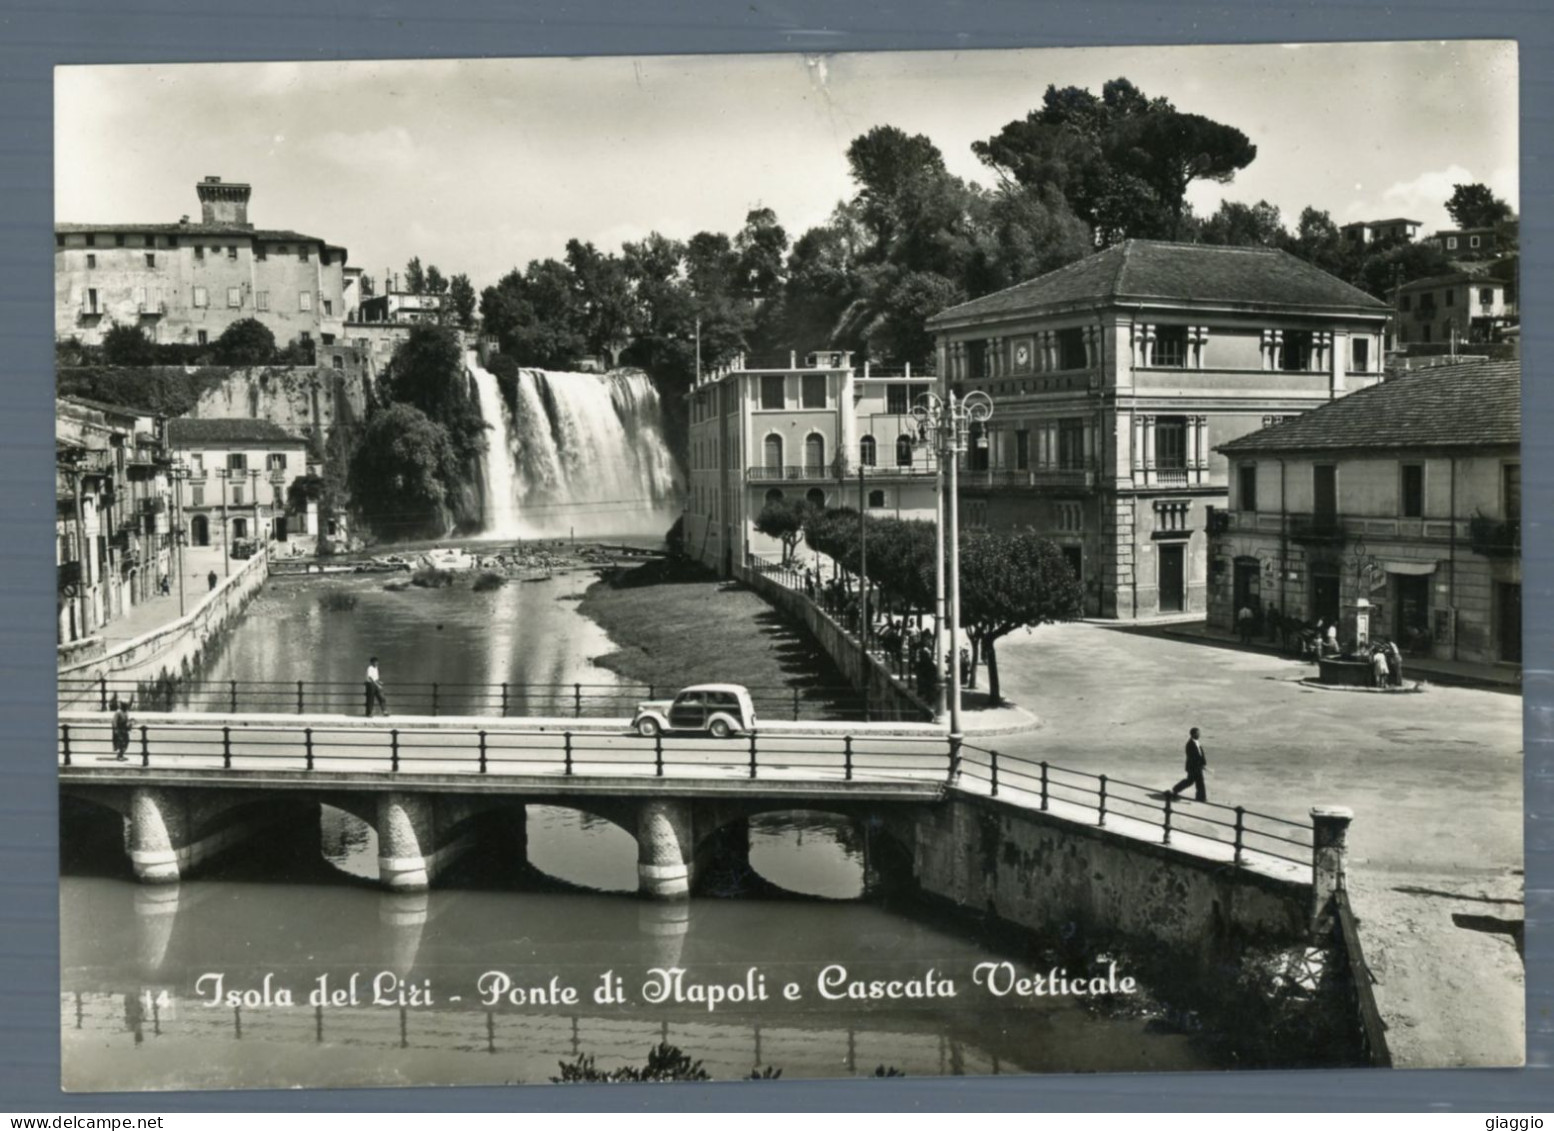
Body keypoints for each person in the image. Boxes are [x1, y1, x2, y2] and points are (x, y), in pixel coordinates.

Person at [1168, 726, 1208, 803]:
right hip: (1193, 767)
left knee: (1191, 781)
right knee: (1197, 782)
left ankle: (1176, 789)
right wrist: (1200, 764)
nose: (1199, 735)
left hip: (1196, 767)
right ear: (1193, 734)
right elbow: (1192, 757)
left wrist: (1203, 763)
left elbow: (1201, 754)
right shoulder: (1190, 744)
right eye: (1197, 733)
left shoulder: (1196, 742)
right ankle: (1200, 798)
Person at [111, 698, 132, 762]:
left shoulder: (126, 712)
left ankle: (121, 755)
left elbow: (127, 720)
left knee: (126, 741)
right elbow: (114, 721)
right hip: (119, 729)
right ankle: (120, 755)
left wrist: (129, 724)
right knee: (121, 742)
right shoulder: (118, 712)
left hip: (124, 729)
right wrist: (115, 729)